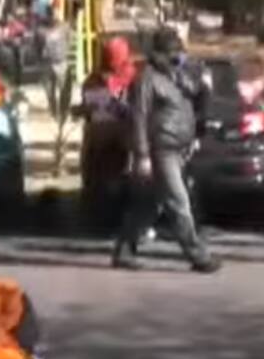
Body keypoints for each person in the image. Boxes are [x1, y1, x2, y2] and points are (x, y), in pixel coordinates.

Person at [113, 27, 219, 273]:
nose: (177, 57)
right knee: (179, 201)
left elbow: (196, 104)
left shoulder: (178, 77)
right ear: (160, 53)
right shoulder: (146, 79)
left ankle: (124, 250)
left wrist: (204, 88)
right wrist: (142, 155)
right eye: (172, 52)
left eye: (178, 51)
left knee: (150, 203)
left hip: (178, 148)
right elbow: (139, 118)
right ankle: (198, 255)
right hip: (160, 149)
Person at [78, 36, 137, 229]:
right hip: (104, 136)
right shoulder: (94, 80)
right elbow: (88, 107)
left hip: (120, 136)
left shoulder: (134, 78)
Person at [38, 12, 73, 122]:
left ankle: (63, 112)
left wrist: (64, 51)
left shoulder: (64, 27)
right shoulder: (40, 31)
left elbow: (70, 39)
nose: (53, 17)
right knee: (50, 91)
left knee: (64, 89)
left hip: (60, 62)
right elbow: (36, 45)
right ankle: (55, 112)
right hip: (48, 63)